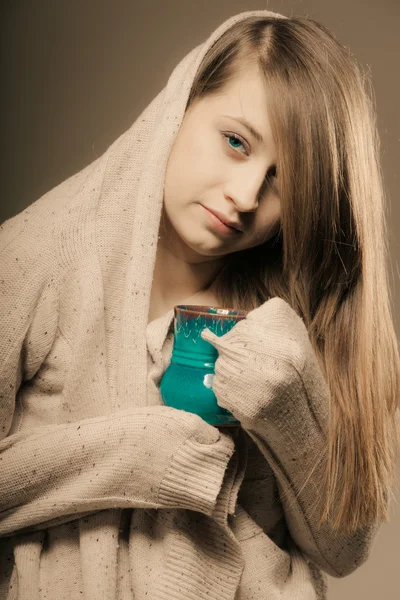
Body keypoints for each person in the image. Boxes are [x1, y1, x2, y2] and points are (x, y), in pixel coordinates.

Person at [0, 8, 399, 600]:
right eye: (235, 142)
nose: (244, 197)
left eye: (282, 183)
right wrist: (137, 453)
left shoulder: (285, 316)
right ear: (181, 103)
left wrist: (290, 409)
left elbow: (344, 551)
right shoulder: (33, 261)